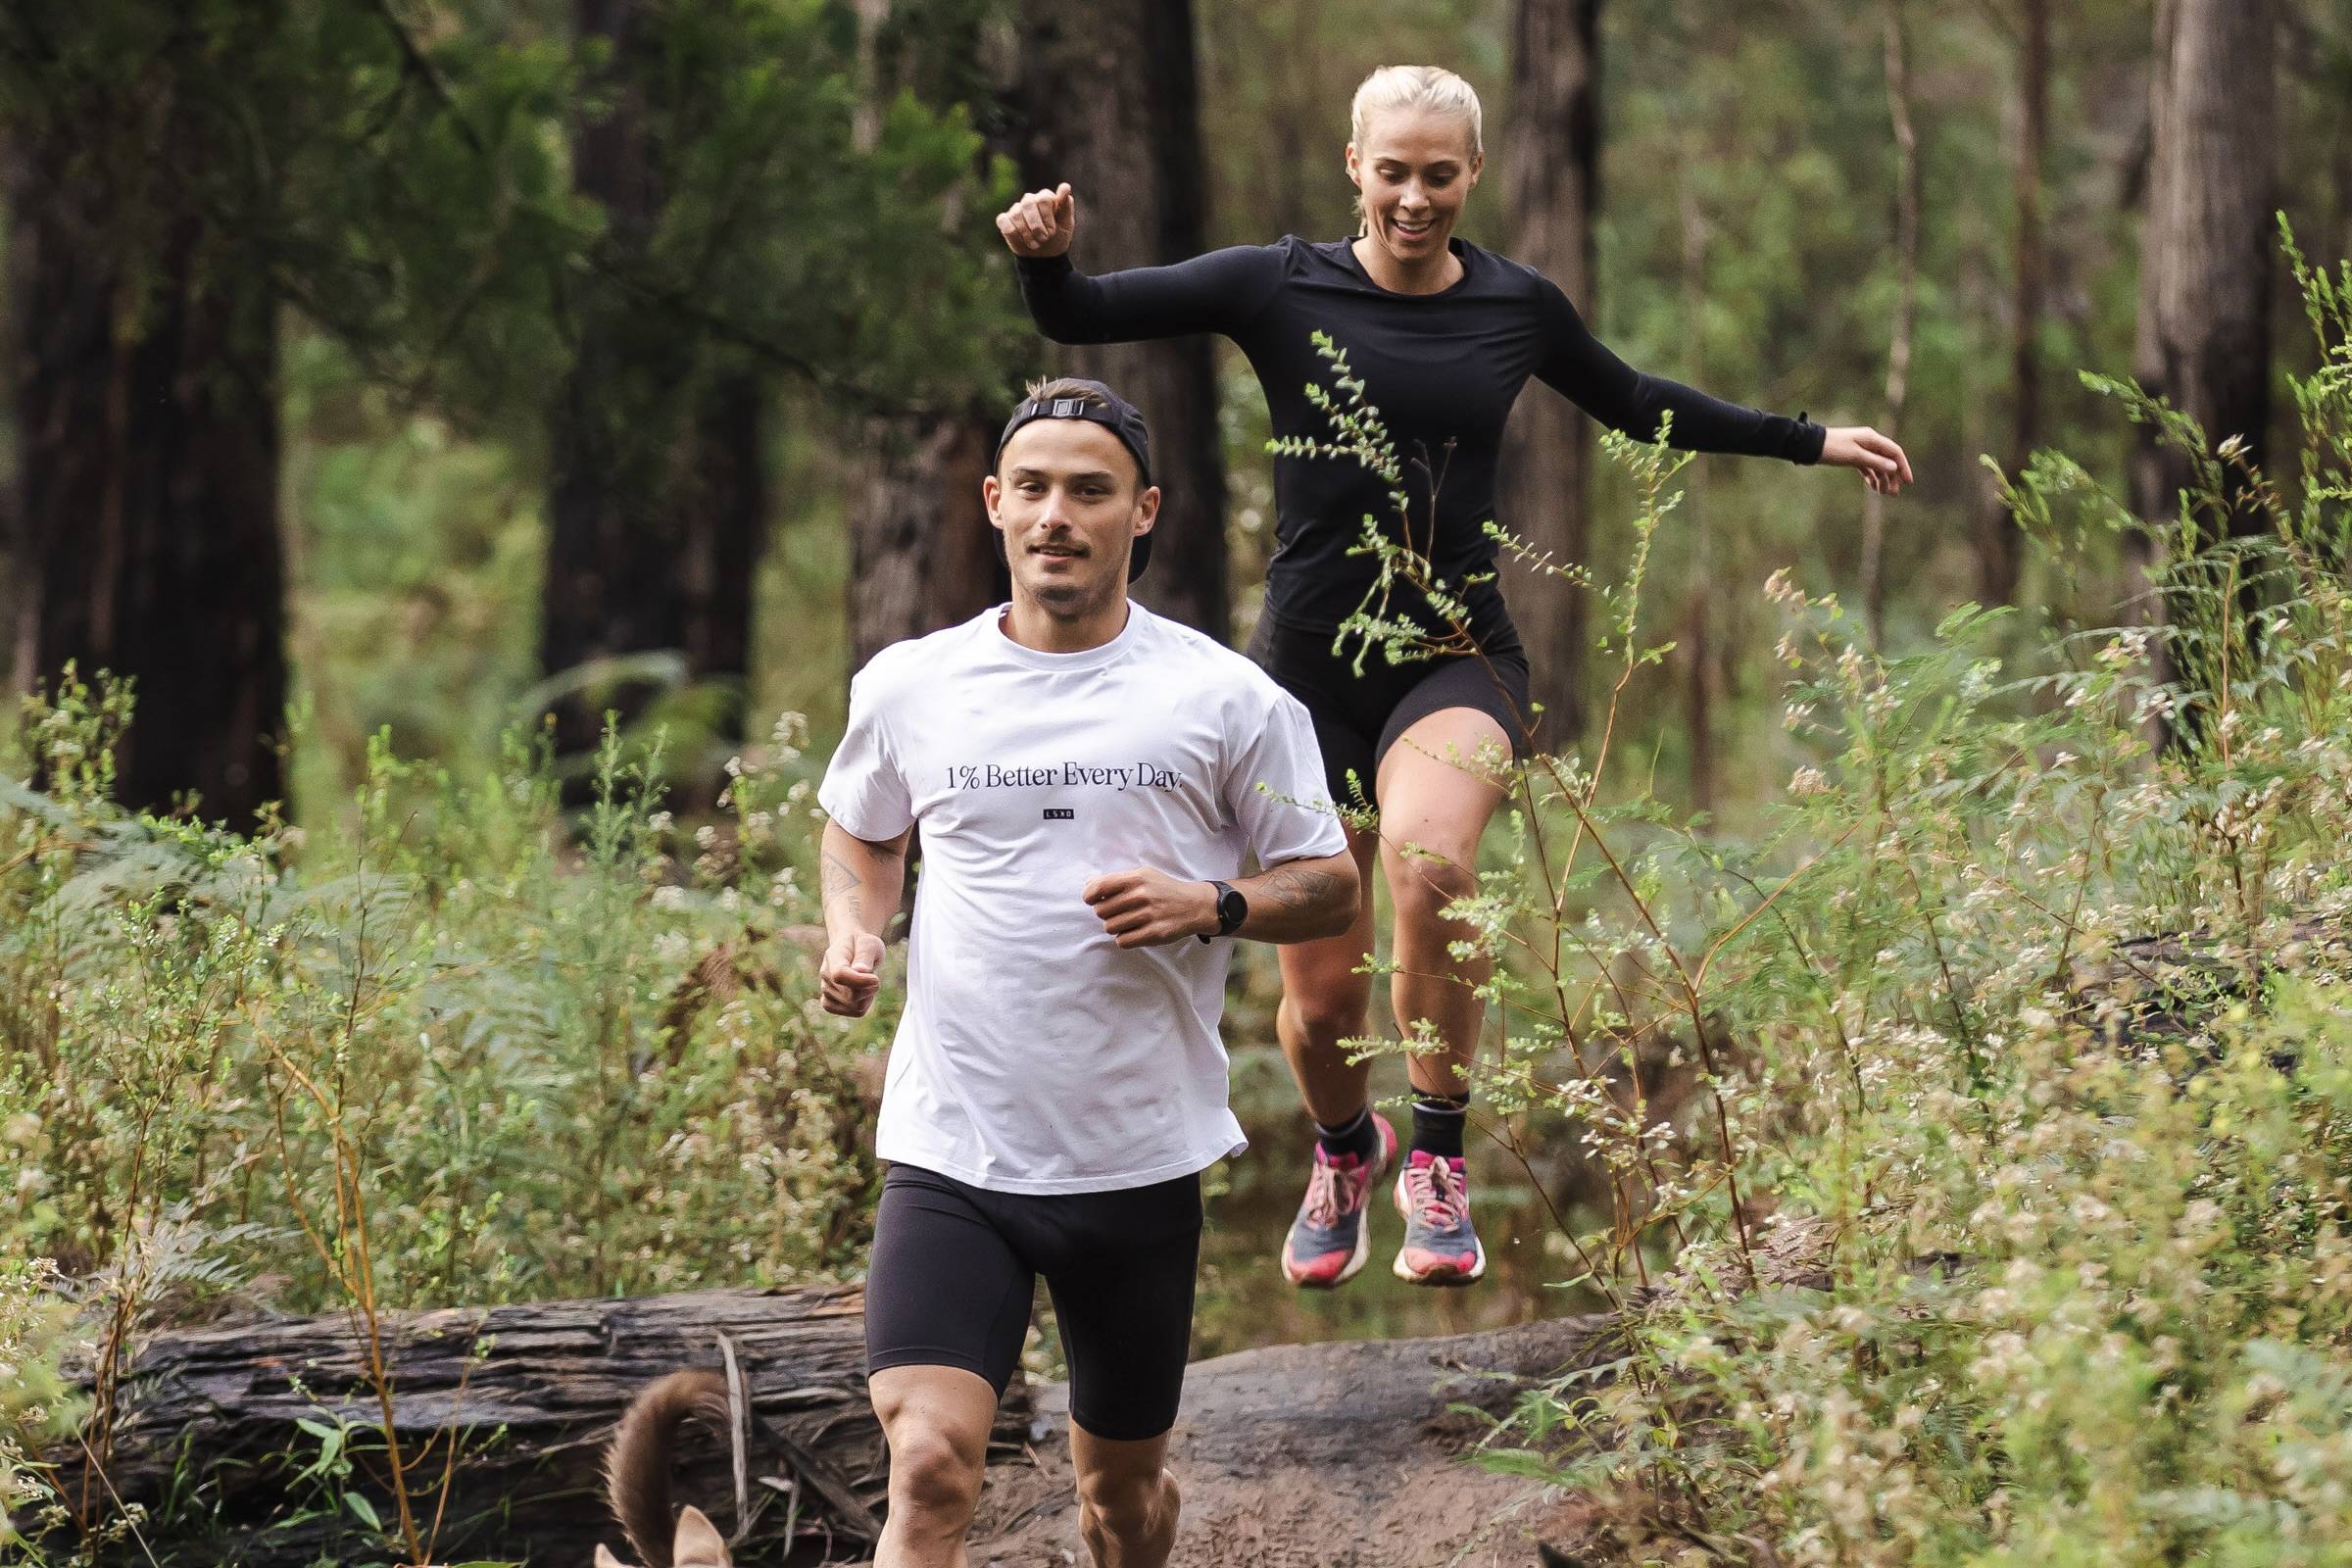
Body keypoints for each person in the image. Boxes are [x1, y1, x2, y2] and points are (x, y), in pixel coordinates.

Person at [996, 65, 1914, 1292]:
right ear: (1354, 166)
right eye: (1394, 171)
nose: (1415, 197)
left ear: (1473, 174)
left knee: (1434, 865)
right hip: (1306, 683)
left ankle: (1436, 1154)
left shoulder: (1517, 306)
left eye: (1440, 174)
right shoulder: (1279, 283)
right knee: (1320, 1005)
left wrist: (1807, 438)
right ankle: (1345, 1146)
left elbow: (1635, 404)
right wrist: (1044, 261)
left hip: (1458, 656)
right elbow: (1091, 313)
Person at [816, 376, 1358, 1568]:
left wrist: (1211, 903)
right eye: (1037, 489)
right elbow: (861, 827)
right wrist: (858, 923)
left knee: (1119, 1504)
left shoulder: (1223, 698)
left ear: (1144, 510)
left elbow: (1328, 880)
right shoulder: (913, 683)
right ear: (996, 503)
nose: (1059, 514)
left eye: (1091, 490)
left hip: (1133, 1156)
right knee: (929, 1463)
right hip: (955, 1148)